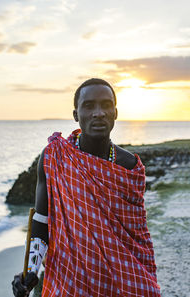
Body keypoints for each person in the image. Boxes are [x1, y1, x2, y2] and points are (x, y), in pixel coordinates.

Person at [12, 78, 161, 297]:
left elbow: (137, 235)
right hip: (70, 279)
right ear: (76, 115)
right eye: (89, 106)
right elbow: (41, 219)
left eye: (106, 105)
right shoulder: (55, 157)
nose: (99, 112)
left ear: (115, 113)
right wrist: (30, 270)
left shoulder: (129, 166)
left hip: (123, 279)